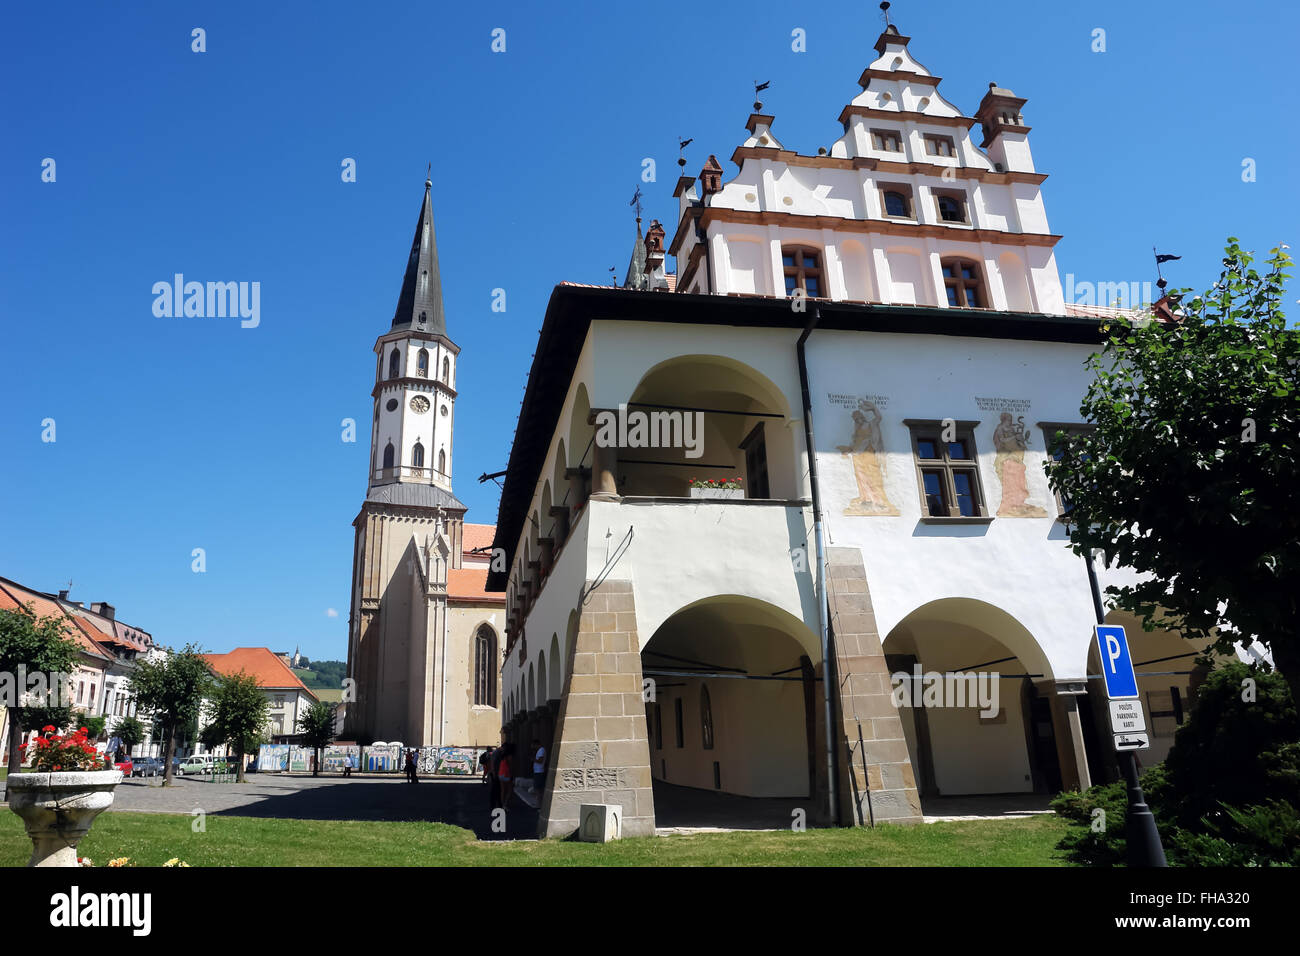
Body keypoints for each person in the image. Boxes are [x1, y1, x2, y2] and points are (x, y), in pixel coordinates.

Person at [496, 743, 514, 808]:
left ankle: (501, 804)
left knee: (503, 790)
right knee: (510, 790)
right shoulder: (509, 756)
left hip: (500, 773)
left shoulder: (502, 755)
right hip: (506, 774)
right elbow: (510, 766)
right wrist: (512, 775)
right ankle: (505, 804)